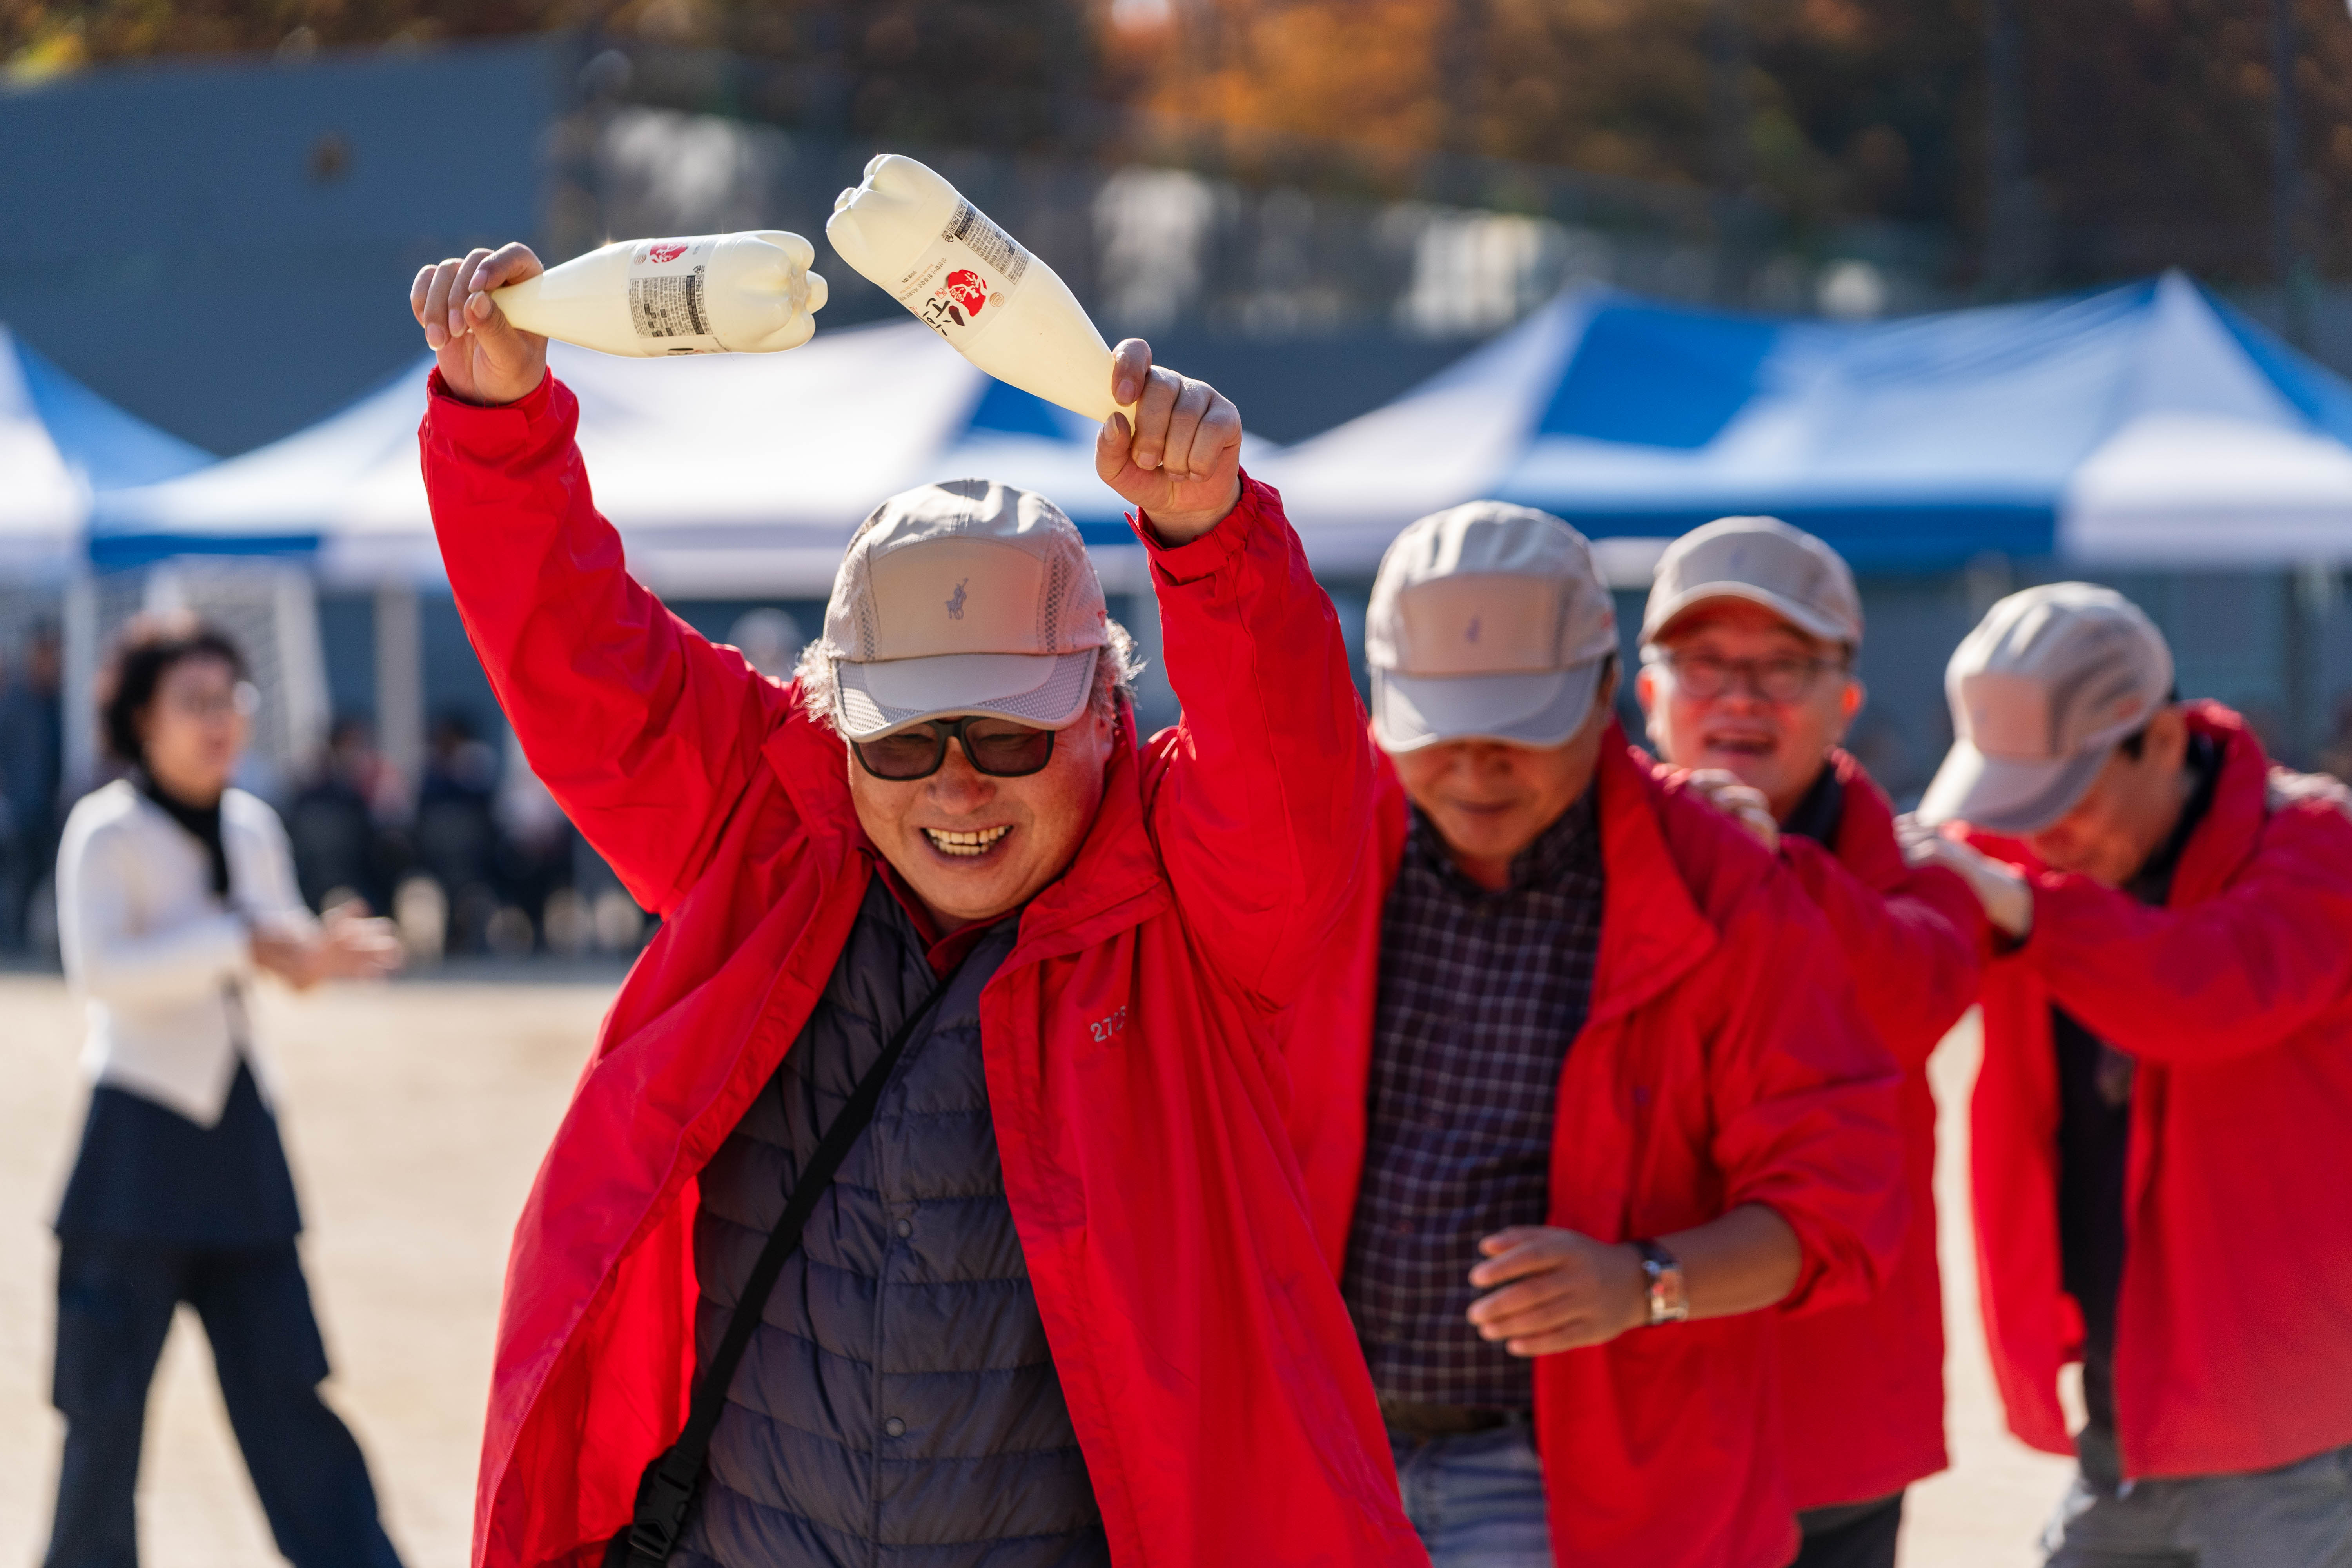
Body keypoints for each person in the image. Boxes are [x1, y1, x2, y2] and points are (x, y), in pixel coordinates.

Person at [410, 244, 1423, 1568]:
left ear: (1108, 713)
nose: (953, 783)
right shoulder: (763, 830)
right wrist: (498, 421)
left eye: (1008, 735)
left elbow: (1294, 778)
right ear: (833, 724)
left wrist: (1214, 542)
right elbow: (574, 649)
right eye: (899, 737)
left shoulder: (1187, 904)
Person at [1282, 501, 1906, 1568]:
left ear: (1607, 695)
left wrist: (1647, 1281)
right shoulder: (1321, 843)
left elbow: (1842, 1200)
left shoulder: (1724, 887)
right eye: (1440, 735)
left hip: (1583, 1484)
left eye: (1517, 733)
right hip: (1320, 1448)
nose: (1476, 772)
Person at [1908, 583, 2352, 1567]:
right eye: (2015, 800)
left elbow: (2209, 991)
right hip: (2124, 1425)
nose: (2041, 833)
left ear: (2158, 738)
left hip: (2292, 1436)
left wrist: (2028, 910)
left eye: (2062, 796)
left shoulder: (2317, 845)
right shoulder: (2030, 858)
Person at [1631, 517, 1985, 1568]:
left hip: (1832, 1438)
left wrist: (1767, 865)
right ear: (1649, 695)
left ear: (1845, 702)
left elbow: (1910, 996)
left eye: (1783, 666)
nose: (1741, 697)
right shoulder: (1573, 852)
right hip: (1634, 1422)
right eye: (1705, 665)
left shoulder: (1917, 881)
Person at [46, 616, 406, 1568]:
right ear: (140, 718)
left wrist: (314, 955)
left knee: (291, 1394)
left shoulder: (253, 823)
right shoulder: (103, 829)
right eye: (194, 702)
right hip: (130, 1139)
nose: (219, 721)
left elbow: (278, 945)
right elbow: (102, 973)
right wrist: (242, 941)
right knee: (103, 1415)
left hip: (241, 1138)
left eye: (231, 699)